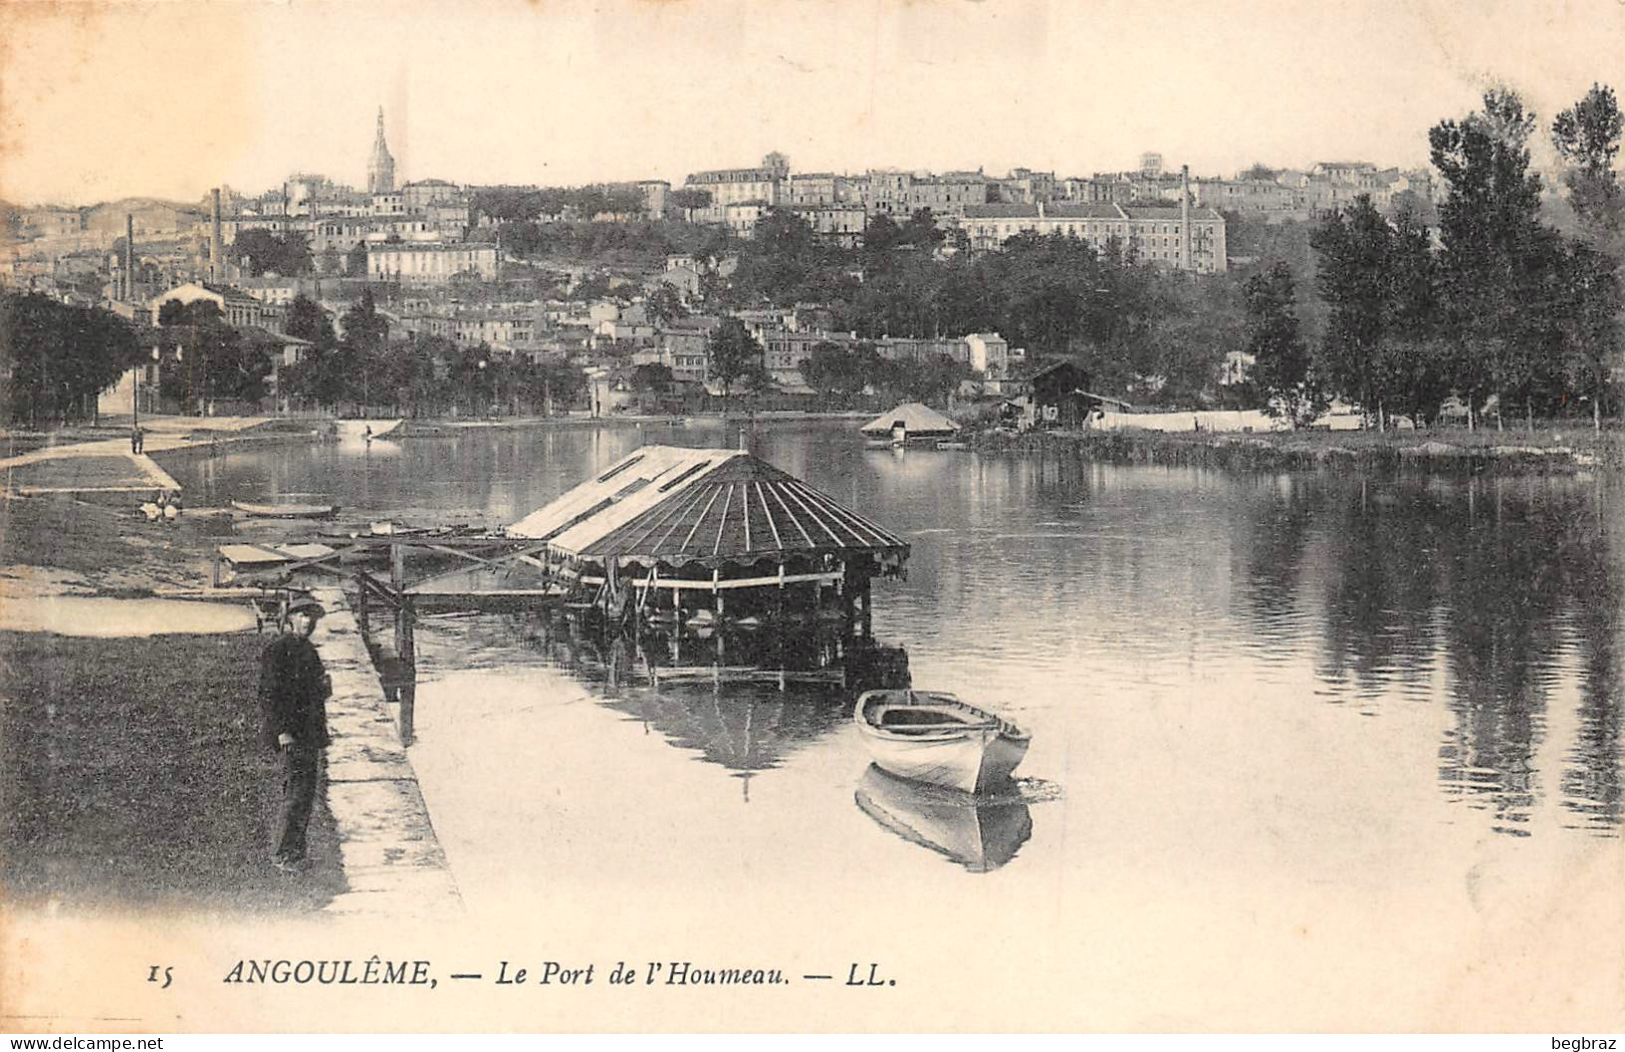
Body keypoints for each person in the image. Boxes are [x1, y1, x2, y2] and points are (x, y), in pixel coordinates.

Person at [257, 596, 333, 872]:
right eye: (302, 616)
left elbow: (312, 693)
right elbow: (269, 696)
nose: (307, 622)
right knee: (296, 793)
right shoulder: (278, 650)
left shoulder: (308, 651)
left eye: (311, 617)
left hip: (309, 732)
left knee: (306, 793)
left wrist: (324, 688)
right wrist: (282, 732)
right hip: (292, 733)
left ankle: (296, 853)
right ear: (290, 619)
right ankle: (283, 854)